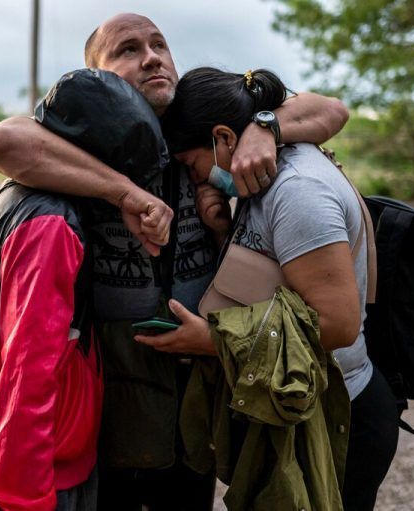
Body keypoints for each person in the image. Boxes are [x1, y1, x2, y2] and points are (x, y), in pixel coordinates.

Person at [0, 13, 350, 510]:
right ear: (97, 76)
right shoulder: (77, 135)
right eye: (128, 50)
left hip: (196, 384)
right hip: (110, 391)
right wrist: (128, 194)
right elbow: (4, 143)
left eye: (159, 44)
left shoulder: (197, 121)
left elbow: (332, 109)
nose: (152, 56)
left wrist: (267, 127)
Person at [148, 66, 400, 510]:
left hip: (340, 418)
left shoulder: (296, 191)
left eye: (193, 165)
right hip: (302, 402)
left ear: (224, 138)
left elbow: (336, 324)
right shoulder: (261, 176)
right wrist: (223, 232)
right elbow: (278, 280)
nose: (197, 179)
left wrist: (214, 341)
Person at [0, 68, 170, 510]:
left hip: (6, 452)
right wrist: (27, 500)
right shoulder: (50, 228)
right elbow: (27, 380)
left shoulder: (22, 192)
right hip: (26, 476)